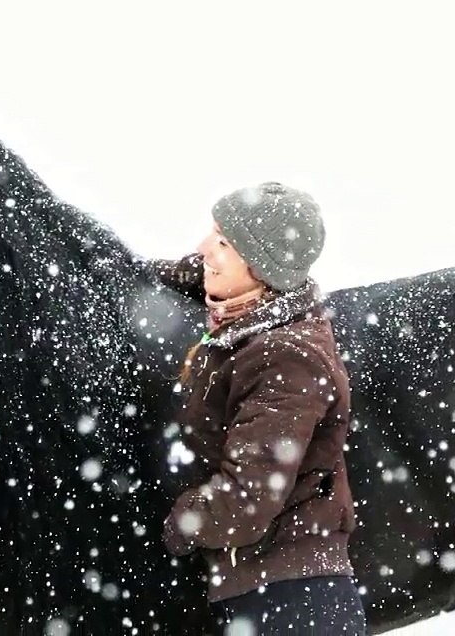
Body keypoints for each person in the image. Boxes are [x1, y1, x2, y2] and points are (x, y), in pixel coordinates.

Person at [156, 182, 367, 635]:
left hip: (292, 604)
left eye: (222, 243)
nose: (203, 249)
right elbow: (197, 268)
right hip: (266, 593)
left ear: (258, 267)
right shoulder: (256, 308)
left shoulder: (287, 358)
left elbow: (248, 499)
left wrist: (178, 523)